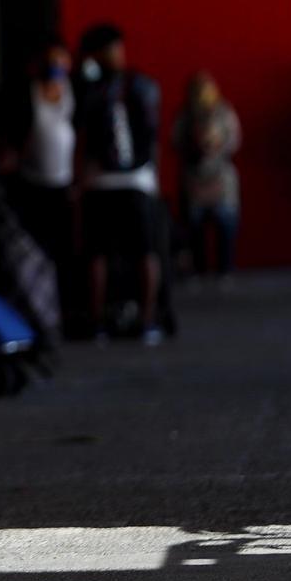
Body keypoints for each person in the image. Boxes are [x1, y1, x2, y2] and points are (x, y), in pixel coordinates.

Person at [75, 23, 164, 345]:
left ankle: (137, 319)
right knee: (113, 252)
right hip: (119, 180)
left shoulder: (110, 86)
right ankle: (131, 320)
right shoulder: (124, 85)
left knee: (134, 250)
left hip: (121, 179)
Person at [3, 39, 76, 266]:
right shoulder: (27, 92)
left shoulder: (75, 91)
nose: (56, 65)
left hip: (65, 180)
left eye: (61, 60)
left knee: (64, 244)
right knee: (34, 242)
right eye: (51, 60)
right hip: (32, 180)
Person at [173, 71, 241, 280]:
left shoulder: (224, 112)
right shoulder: (185, 115)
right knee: (194, 227)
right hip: (194, 177)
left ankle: (225, 268)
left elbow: (235, 139)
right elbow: (175, 141)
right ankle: (199, 268)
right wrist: (195, 145)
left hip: (221, 177)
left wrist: (216, 144)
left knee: (226, 224)